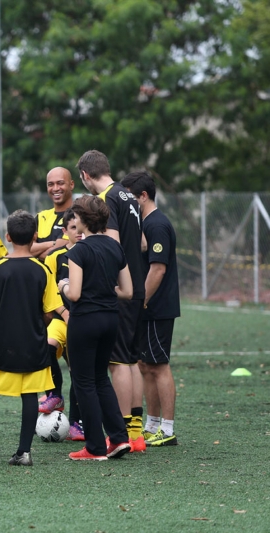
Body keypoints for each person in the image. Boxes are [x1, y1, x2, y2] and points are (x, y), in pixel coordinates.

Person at [0, 210, 62, 466]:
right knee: (29, 395)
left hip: (5, 344)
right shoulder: (42, 270)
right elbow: (50, 312)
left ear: (7, 236)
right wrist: (34, 323)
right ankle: (24, 453)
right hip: (34, 343)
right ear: (35, 236)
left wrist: (8, 322)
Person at [77, 150, 146, 452]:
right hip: (136, 283)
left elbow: (111, 244)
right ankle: (135, 433)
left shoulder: (106, 199)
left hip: (117, 289)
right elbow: (141, 242)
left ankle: (123, 435)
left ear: (85, 176)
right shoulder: (128, 195)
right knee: (130, 360)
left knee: (117, 363)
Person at [58, 195, 133, 461]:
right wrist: (104, 289)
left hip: (85, 321)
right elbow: (128, 291)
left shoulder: (78, 250)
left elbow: (75, 294)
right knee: (102, 378)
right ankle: (120, 438)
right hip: (110, 319)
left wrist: (63, 286)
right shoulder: (115, 247)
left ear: (80, 220)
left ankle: (94, 447)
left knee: (84, 382)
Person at [122, 171, 180, 447]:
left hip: (157, 307)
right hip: (145, 307)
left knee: (159, 365)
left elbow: (158, 269)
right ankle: (152, 423)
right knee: (145, 365)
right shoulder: (143, 223)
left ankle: (167, 430)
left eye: (131, 197)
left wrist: (141, 300)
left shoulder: (156, 224)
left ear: (143, 196)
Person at [43, 208, 84, 440]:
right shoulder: (55, 256)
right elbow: (48, 291)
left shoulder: (91, 253)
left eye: (81, 228)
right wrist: (64, 311)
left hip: (83, 322)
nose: (78, 233)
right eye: (73, 229)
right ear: (64, 231)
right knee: (46, 347)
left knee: (78, 372)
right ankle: (54, 393)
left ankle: (78, 423)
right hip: (61, 319)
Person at [31, 167, 75, 260]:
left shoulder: (78, 216)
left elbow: (56, 253)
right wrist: (53, 243)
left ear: (71, 185)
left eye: (60, 183)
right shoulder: (41, 217)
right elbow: (26, 249)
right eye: (50, 184)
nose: (55, 188)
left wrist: (37, 251)